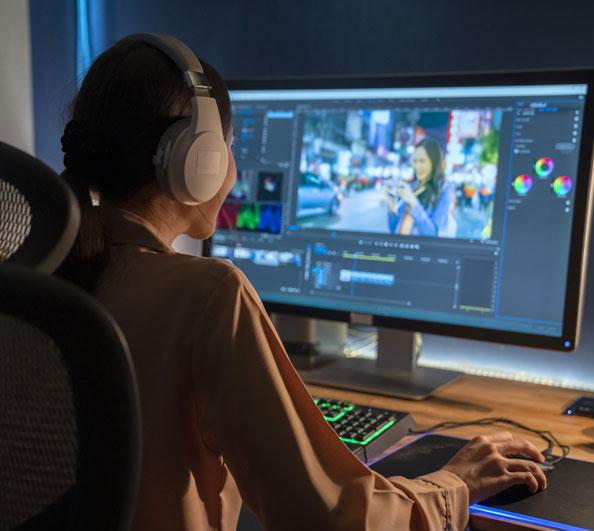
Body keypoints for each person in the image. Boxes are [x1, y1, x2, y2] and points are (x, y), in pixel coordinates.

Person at [57, 34, 547, 531]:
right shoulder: (207, 296)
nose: (233, 167)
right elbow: (329, 517)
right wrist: (455, 484)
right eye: (229, 146)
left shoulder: (49, 276)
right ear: (195, 160)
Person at [386, 137, 456, 237]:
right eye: (415, 161)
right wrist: (391, 206)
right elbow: (394, 230)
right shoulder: (411, 186)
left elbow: (432, 233)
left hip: (422, 251)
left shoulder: (444, 189)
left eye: (422, 161)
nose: (417, 166)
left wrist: (413, 203)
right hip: (400, 249)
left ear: (433, 162)